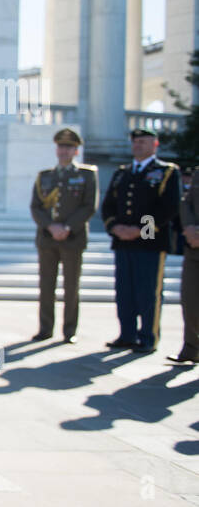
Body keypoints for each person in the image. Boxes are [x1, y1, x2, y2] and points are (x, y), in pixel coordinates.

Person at [102, 127, 181, 354]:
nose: (138, 146)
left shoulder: (166, 172)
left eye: (144, 142)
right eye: (136, 142)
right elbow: (109, 205)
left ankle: (147, 337)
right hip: (122, 241)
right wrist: (115, 227)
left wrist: (139, 230)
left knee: (148, 292)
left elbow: (168, 207)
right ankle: (126, 334)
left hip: (149, 242)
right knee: (124, 291)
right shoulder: (121, 173)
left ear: (155, 145)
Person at [30, 128, 98, 343]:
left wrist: (67, 227)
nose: (64, 151)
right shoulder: (45, 176)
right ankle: (45, 328)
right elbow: (36, 207)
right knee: (46, 286)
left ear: (76, 151)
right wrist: (51, 227)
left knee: (71, 287)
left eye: (69, 147)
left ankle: (69, 331)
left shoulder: (86, 175)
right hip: (48, 238)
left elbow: (89, 206)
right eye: (61, 147)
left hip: (72, 238)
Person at [172, 166, 198, 364]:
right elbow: (186, 202)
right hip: (193, 248)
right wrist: (189, 227)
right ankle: (192, 346)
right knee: (189, 300)